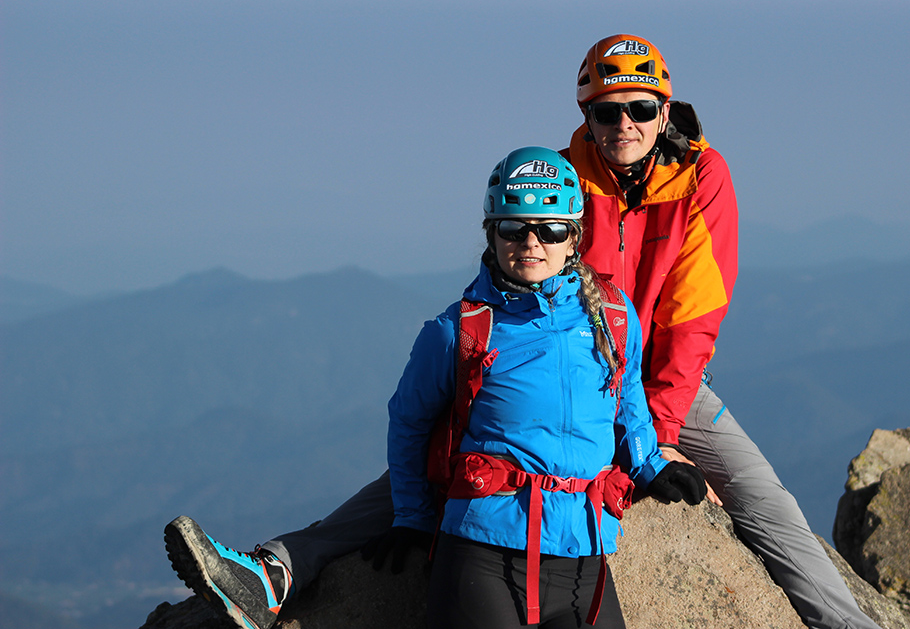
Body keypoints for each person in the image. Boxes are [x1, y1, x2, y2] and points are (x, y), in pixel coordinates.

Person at [165, 147, 706, 629]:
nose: (532, 242)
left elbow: (627, 395)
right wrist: (412, 517)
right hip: (485, 556)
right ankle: (274, 574)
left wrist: (649, 462)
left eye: (551, 229)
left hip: (584, 559)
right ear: (491, 232)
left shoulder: (613, 316)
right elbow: (409, 423)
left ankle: (274, 573)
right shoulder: (460, 330)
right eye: (513, 228)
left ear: (575, 236)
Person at [562, 34, 881, 629]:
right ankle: (326, 548)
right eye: (607, 111)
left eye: (639, 108)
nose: (623, 123)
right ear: (587, 115)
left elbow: (691, 319)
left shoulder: (702, 175)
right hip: (576, 380)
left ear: (664, 111)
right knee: (443, 460)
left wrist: (654, 441)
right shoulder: (563, 178)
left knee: (767, 507)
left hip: (669, 387)